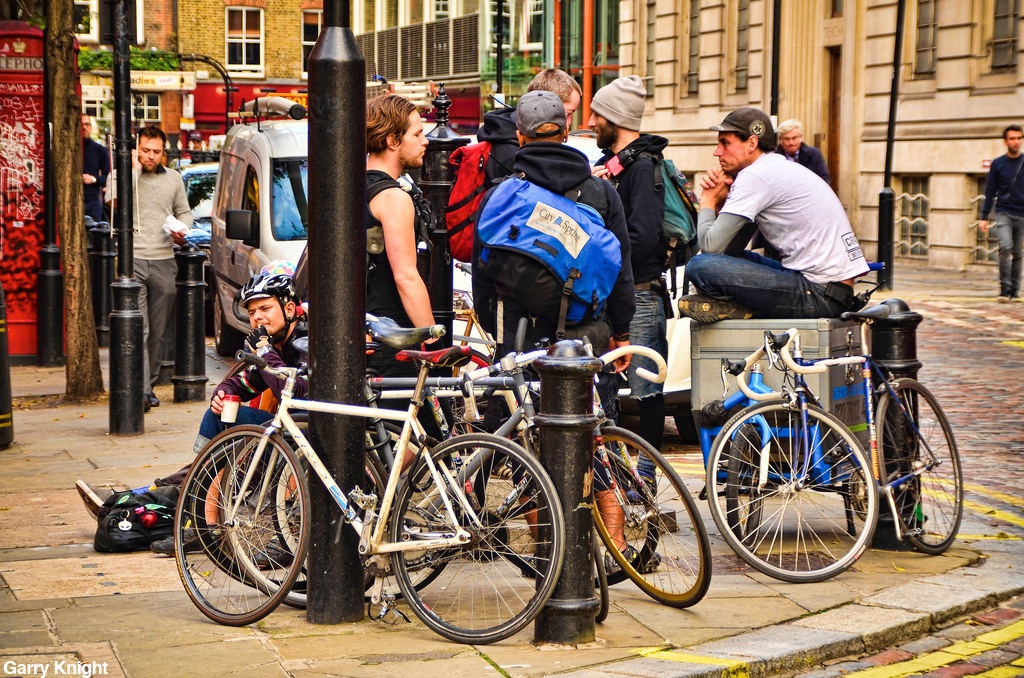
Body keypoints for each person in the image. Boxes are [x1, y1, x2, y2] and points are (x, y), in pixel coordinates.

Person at [472, 90, 643, 573]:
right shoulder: (599, 190)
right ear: (567, 132)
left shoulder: (503, 193)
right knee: (593, 434)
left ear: (520, 135)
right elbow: (621, 267)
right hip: (586, 332)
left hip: (521, 335)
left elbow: (483, 271)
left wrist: (497, 326)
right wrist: (621, 332)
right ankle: (616, 546)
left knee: (526, 443)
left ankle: (549, 551)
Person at [76, 266, 307, 538]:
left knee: (218, 456)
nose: (257, 318)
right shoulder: (273, 346)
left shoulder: (304, 342)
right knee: (217, 419)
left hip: (304, 440)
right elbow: (243, 382)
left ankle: (155, 505)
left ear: (289, 310)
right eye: (253, 312)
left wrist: (265, 352)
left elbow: (295, 393)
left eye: (265, 309)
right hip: (278, 435)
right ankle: (177, 511)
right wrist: (222, 394)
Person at [679, 107, 868, 323]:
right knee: (723, 260)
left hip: (819, 294)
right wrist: (723, 207)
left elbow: (710, 247)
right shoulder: (774, 167)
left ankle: (741, 307)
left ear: (751, 144)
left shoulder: (755, 176)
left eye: (725, 143)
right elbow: (728, 249)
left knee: (699, 265)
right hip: (830, 290)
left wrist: (707, 201)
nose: (717, 152)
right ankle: (738, 307)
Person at [588, 75, 669, 456]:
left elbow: (643, 238)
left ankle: (647, 486)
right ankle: (619, 482)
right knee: (606, 392)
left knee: (647, 392)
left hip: (640, 295)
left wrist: (599, 257)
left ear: (614, 119)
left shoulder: (642, 169)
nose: (590, 122)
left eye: (596, 115)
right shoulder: (612, 165)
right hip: (612, 293)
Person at [365, 94, 437, 377]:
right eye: (417, 133)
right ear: (392, 141)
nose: (425, 141)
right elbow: (406, 277)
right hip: (391, 339)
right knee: (429, 421)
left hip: (363, 332)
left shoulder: (351, 185)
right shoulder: (392, 198)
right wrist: (432, 338)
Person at [130, 126, 192, 410]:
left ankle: (150, 384)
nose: (151, 156)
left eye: (156, 151)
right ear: (136, 149)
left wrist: (184, 230)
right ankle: (141, 390)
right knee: (139, 328)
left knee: (157, 331)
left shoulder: (174, 179)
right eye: (145, 150)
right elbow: (112, 201)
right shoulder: (125, 173)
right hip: (133, 259)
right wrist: (131, 168)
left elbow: (184, 211)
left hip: (164, 259)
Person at [476, 68, 583, 186]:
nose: (568, 122)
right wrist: (582, 183)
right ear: (549, 104)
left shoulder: (502, 136)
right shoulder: (513, 154)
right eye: (567, 114)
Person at [979, 124, 1024, 302]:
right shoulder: (998, 163)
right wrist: (984, 217)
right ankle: (1004, 290)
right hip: (1004, 211)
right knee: (1005, 248)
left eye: (1019, 138)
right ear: (1005, 141)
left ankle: (1016, 291)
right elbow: (990, 190)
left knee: (1018, 253)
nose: (1016, 142)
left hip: (1022, 213)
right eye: (1012, 138)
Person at [774, 119, 830, 185]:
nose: (791, 142)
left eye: (794, 138)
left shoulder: (814, 154)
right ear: (780, 140)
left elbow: (824, 180)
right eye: (787, 139)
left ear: (801, 137)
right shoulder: (773, 157)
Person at [81, 115, 110, 224]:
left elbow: (108, 177)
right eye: (81, 124)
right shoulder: (69, 150)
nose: (84, 128)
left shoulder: (99, 150)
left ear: (91, 127)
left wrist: (94, 179)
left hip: (92, 202)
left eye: (87, 124)